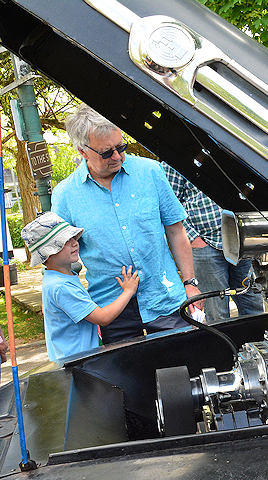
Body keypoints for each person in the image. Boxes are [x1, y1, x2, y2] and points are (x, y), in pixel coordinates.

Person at [51, 105, 201, 344]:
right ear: (82, 151)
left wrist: (190, 283)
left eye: (121, 147)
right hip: (112, 309)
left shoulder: (151, 172)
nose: (117, 157)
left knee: (180, 364)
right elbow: (59, 259)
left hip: (164, 298)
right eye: (106, 152)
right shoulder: (65, 196)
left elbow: (175, 230)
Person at [22, 212, 140, 362]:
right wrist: (128, 291)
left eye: (73, 237)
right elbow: (103, 318)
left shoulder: (58, 277)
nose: (74, 243)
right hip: (78, 361)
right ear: (49, 254)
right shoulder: (61, 286)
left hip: (76, 358)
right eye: (65, 241)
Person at [161, 163, 264, 321]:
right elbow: (169, 205)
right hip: (205, 244)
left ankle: (256, 336)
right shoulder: (176, 160)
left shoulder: (235, 154)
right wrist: (193, 239)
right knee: (216, 313)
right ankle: (222, 339)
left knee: (253, 303)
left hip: (241, 240)